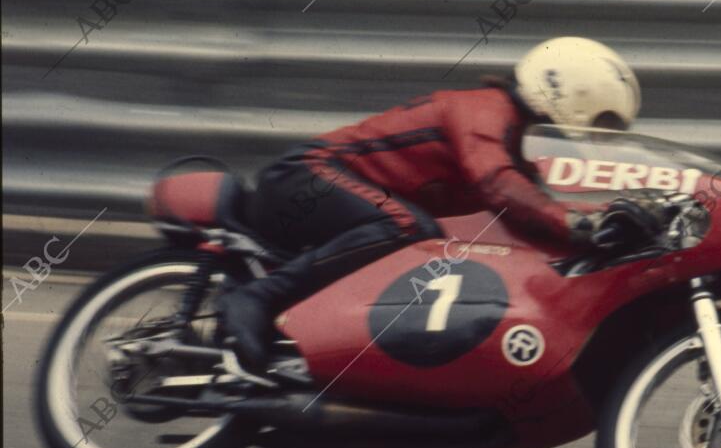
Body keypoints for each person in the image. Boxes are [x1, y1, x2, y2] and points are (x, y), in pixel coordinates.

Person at [216, 36, 646, 371]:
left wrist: (613, 220)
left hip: (330, 197)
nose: (597, 137)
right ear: (571, 94)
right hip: (303, 178)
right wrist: (581, 224)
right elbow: (499, 186)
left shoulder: (518, 150)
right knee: (409, 228)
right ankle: (258, 297)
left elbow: (537, 212)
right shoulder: (485, 110)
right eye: (600, 121)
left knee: (423, 238)